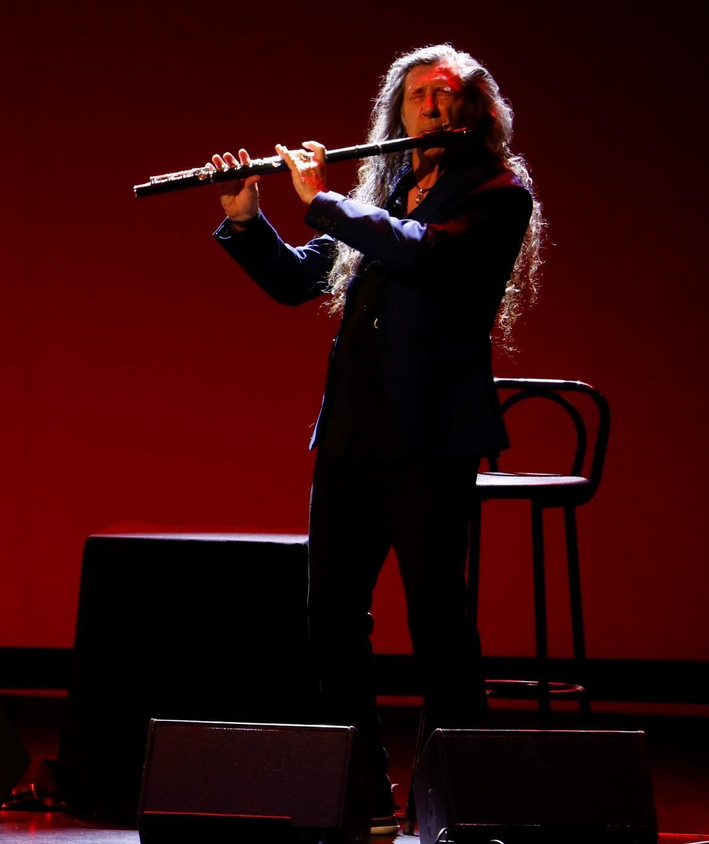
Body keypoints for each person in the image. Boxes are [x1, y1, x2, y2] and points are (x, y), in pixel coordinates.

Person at [209, 44, 541, 836]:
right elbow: (299, 281)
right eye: (418, 93)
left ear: (475, 112)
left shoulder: (498, 193)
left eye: (446, 94)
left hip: (429, 438)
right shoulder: (386, 189)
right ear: (397, 108)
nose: (430, 105)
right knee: (331, 618)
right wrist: (246, 218)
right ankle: (358, 795)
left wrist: (322, 200)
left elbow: (425, 252)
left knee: (437, 620)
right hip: (354, 433)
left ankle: (462, 802)